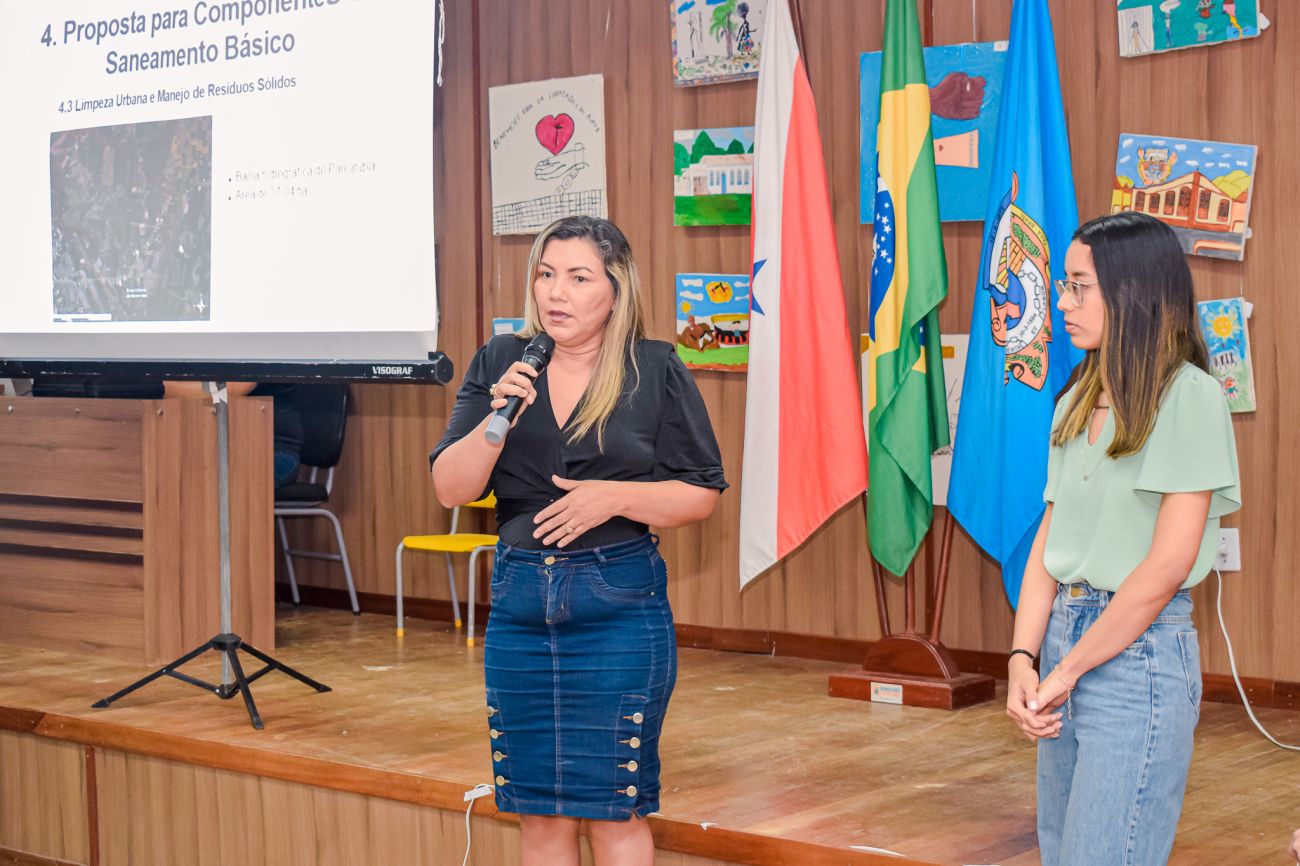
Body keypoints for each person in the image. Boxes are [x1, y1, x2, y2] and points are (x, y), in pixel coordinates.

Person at [430, 216, 726, 866]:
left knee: (612, 811)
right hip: (520, 610)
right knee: (539, 815)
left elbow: (701, 492)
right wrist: (495, 422)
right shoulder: (502, 361)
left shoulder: (654, 368)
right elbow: (451, 489)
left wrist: (612, 498)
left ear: (616, 291)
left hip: (617, 610)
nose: (555, 292)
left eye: (578, 277)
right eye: (546, 274)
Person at [1004, 212, 1240, 866]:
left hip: (1139, 656)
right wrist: (1023, 659)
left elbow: (1166, 568)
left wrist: (1068, 671)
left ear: (1131, 290)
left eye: (1079, 286)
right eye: (1063, 284)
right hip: (1065, 641)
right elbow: (1050, 546)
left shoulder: (1189, 398)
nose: (1062, 301)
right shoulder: (1075, 399)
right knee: (1063, 851)